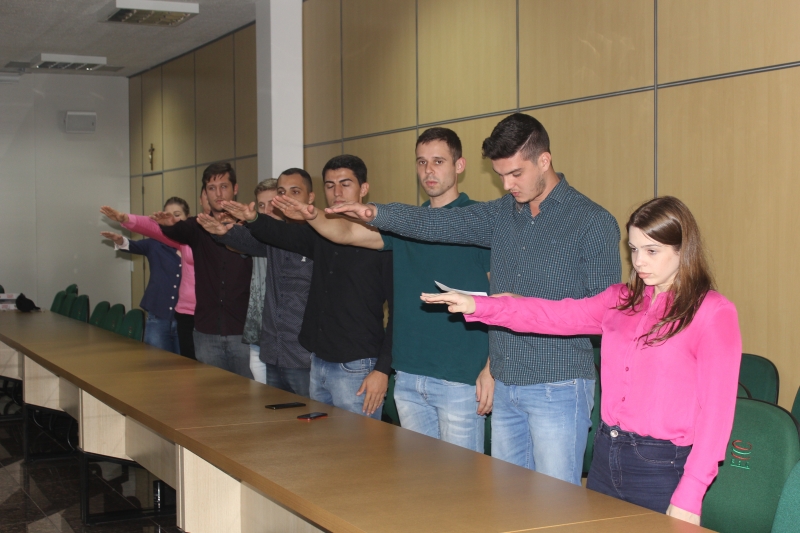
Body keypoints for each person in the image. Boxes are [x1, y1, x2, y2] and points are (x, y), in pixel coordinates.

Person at [326, 113, 620, 484]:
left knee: (554, 504)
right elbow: (436, 224)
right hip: (506, 382)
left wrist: (519, 308)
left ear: (544, 160)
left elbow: (605, 316)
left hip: (557, 385)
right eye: (500, 175)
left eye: (515, 174)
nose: (507, 185)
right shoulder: (502, 213)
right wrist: (375, 213)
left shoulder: (591, 222)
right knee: (506, 502)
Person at [421, 196, 741, 525]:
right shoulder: (620, 300)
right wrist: (478, 305)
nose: (639, 261)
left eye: (652, 251)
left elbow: (716, 416)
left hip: (661, 466)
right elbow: (552, 315)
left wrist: (691, 493)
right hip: (606, 454)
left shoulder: (712, 312)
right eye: (633, 249)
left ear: (682, 249)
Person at [272, 128, 492, 451]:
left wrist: (491, 368)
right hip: (409, 379)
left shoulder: (479, 221)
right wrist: (311, 215)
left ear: (459, 165)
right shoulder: (408, 223)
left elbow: (504, 301)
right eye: (421, 162)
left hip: (460, 380)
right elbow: (347, 233)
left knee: (462, 479)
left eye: (438, 161)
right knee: (417, 479)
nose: (428, 170)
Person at [204, 156, 393, 419]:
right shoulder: (320, 233)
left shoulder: (384, 239)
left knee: (358, 444)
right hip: (318, 361)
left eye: (345, 184)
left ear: (364, 188)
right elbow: (280, 235)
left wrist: (382, 369)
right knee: (317, 441)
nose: (337, 192)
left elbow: (400, 311)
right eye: (330, 185)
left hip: (357, 366)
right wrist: (253, 218)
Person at [202, 171, 314, 395]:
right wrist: (223, 233)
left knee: (309, 416)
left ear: (310, 197)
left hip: (304, 356)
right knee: (272, 415)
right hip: (273, 352)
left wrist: (252, 220)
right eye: (282, 192)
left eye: (295, 192)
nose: (286, 198)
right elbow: (249, 241)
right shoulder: (274, 237)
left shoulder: (320, 235)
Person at [155, 162, 253, 379]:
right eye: (211, 188)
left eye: (224, 186)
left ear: (235, 188)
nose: (218, 194)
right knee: (209, 395)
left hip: (243, 334)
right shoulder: (198, 227)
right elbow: (177, 230)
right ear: (205, 194)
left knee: (247, 396)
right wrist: (168, 224)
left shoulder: (250, 227)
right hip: (206, 333)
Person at [100, 199, 196, 359]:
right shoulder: (155, 243)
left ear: (188, 217)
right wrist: (119, 240)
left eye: (177, 214)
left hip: (185, 321)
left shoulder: (195, 245)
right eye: (168, 215)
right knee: (155, 364)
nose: (172, 219)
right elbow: (134, 245)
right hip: (157, 316)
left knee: (184, 367)